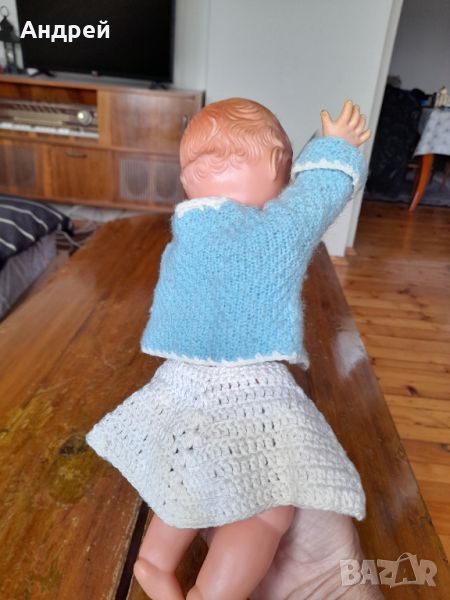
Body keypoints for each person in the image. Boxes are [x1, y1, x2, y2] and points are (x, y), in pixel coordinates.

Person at [87, 98, 374, 600]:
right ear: (274, 165)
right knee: (268, 505)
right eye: (285, 172)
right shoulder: (273, 233)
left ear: (189, 180)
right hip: (251, 391)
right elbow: (316, 198)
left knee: (186, 478)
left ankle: (153, 563)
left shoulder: (183, 238)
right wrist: (335, 148)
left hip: (178, 385)